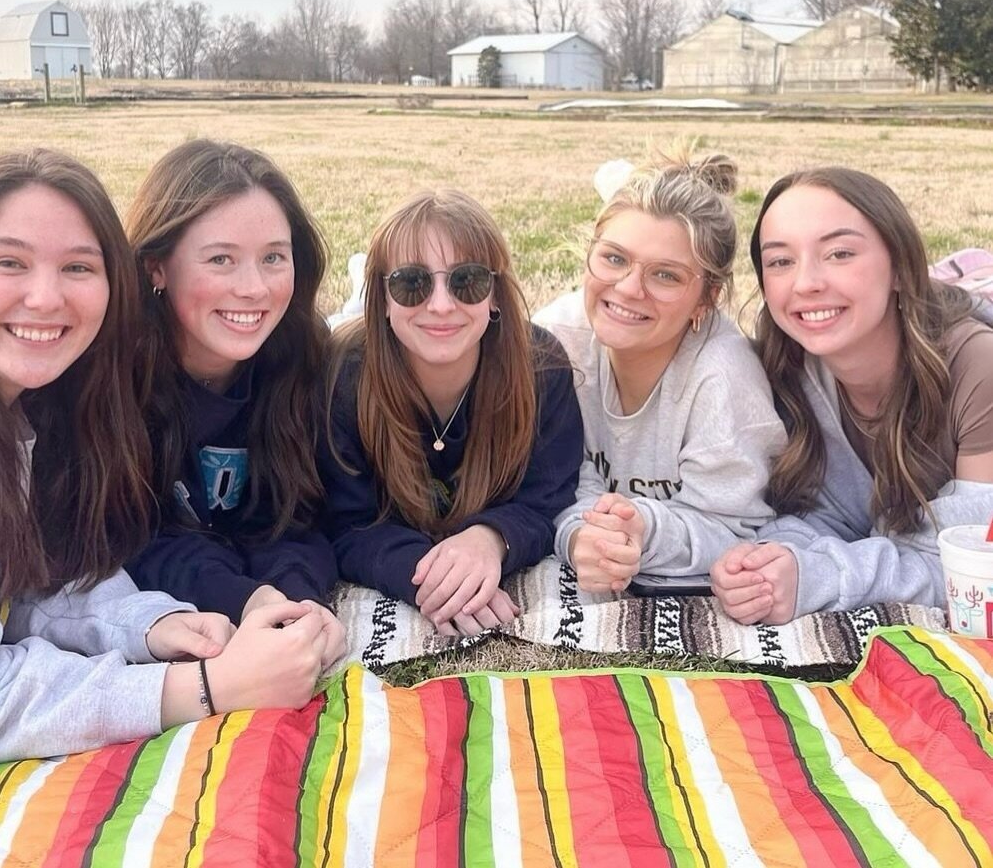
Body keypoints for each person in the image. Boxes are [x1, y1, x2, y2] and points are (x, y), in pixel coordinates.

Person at [0, 150, 330, 765]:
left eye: (78, 267)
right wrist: (203, 689)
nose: (45, 298)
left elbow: (19, 581)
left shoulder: (20, 389)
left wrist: (149, 625)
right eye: (9, 262)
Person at [710, 167, 993, 624]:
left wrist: (822, 577)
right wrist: (769, 561)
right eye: (781, 261)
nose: (806, 283)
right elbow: (820, 514)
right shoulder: (786, 367)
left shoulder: (977, 368)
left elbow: (970, 566)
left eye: (839, 253)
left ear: (901, 267)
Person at [322, 190, 582, 637]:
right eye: (410, 283)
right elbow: (343, 521)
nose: (441, 304)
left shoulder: (541, 366)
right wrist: (429, 577)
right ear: (381, 298)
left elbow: (548, 498)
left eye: (467, 282)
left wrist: (492, 538)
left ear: (496, 295)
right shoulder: (342, 376)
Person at [124, 140, 344, 660]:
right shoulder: (113, 373)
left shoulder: (301, 353)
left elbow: (302, 514)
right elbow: (130, 540)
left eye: (273, 258)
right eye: (221, 259)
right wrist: (242, 599)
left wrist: (292, 599)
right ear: (157, 267)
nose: (253, 289)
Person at [534, 149, 785, 595]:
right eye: (614, 259)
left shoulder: (723, 379)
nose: (629, 289)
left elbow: (740, 532)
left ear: (706, 300)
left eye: (665, 276)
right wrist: (581, 536)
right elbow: (553, 481)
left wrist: (644, 530)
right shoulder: (556, 342)